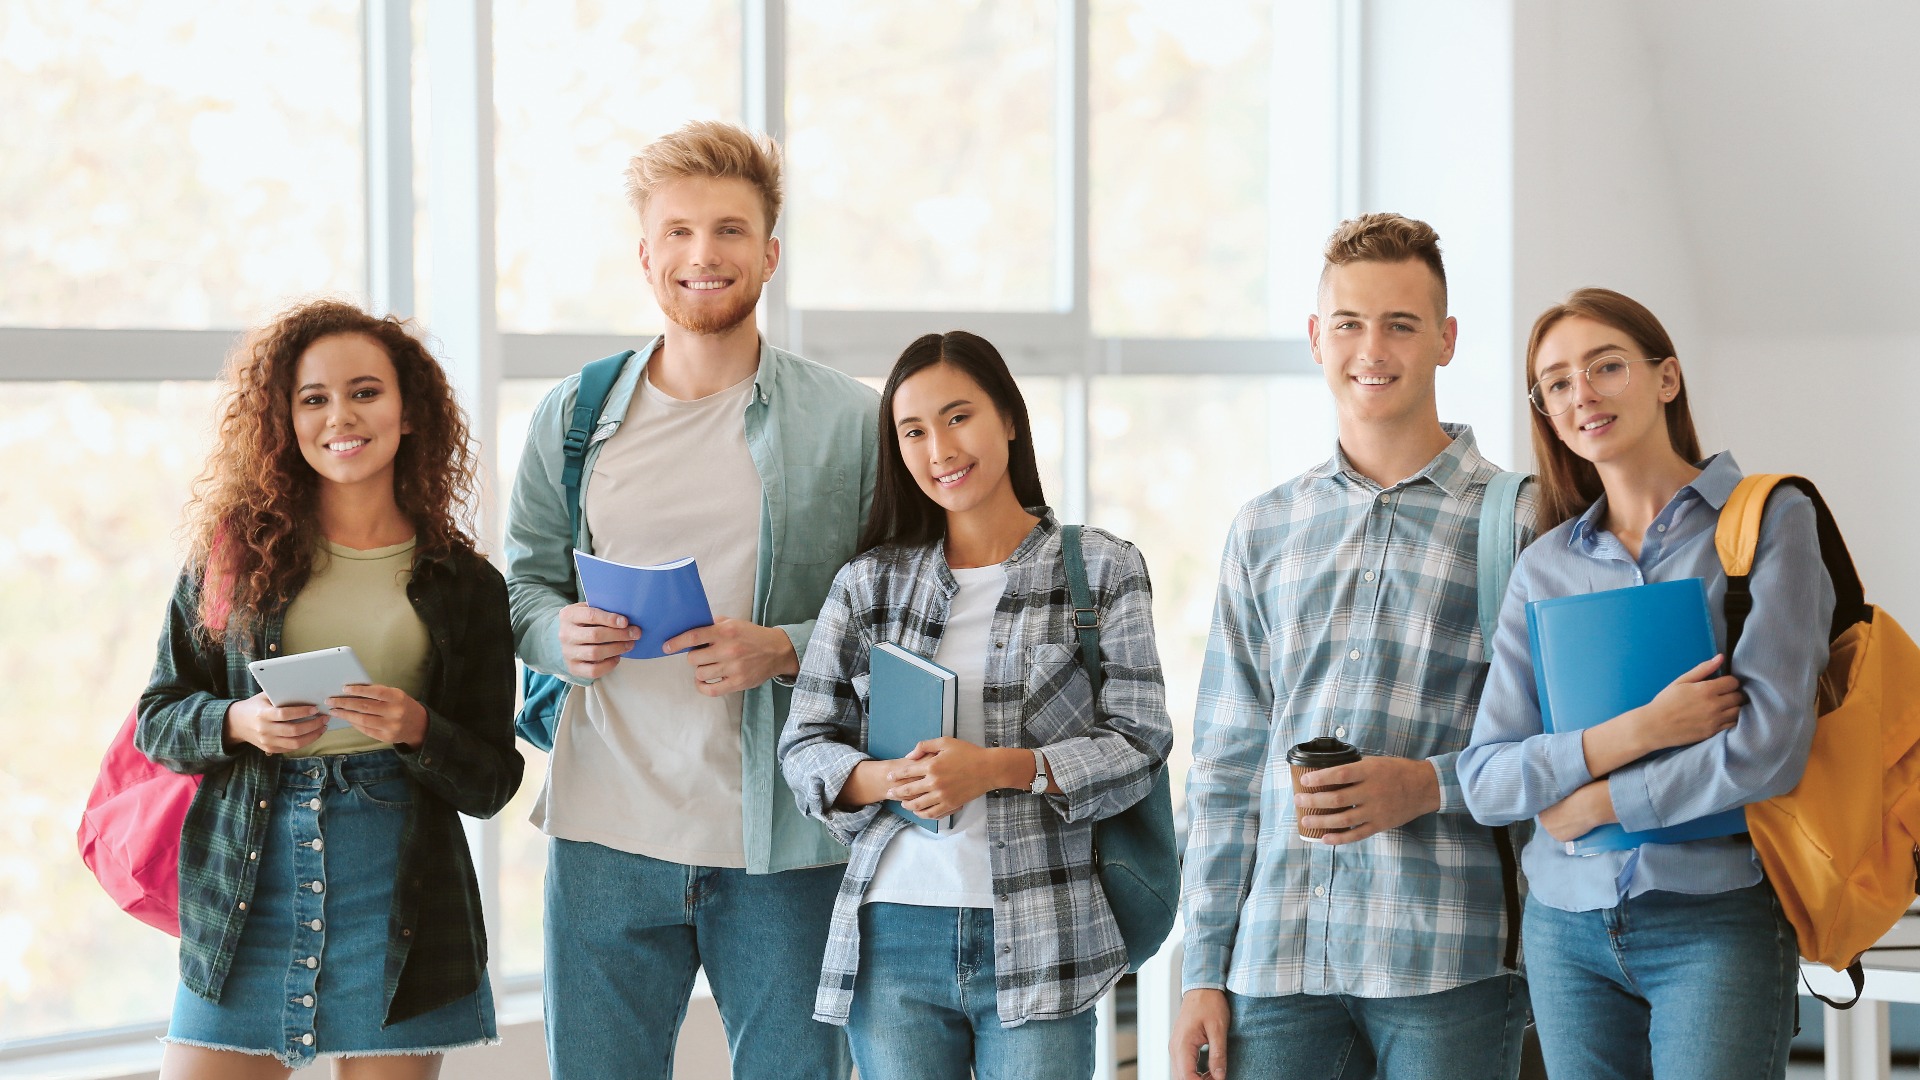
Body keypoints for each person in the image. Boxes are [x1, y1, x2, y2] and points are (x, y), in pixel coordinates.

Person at [504, 120, 877, 1080]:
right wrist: (558, 634)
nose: (702, 255)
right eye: (677, 232)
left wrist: (787, 647)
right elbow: (522, 585)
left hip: (787, 842)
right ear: (645, 255)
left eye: (728, 231)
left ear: (770, 255)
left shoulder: (855, 421)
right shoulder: (576, 416)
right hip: (605, 834)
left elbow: (913, 607)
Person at [1173, 213, 1535, 1080]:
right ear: (1315, 338)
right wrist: (1202, 972)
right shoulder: (1265, 528)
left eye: (1401, 324)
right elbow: (1225, 768)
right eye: (1349, 323)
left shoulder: (1521, 520)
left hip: (1449, 957)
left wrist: (1427, 784)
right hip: (1276, 960)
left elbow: (1558, 748)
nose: (1372, 347)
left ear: (1446, 340)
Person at [137, 299, 522, 1078]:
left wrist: (417, 726)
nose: (340, 415)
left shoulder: (467, 584)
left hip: (400, 895)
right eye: (313, 398)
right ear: (286, 419)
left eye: (365, 391)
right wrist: (239, 720)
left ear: (409, 412)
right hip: (247, 876)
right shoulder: (231, 559)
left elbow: (491, 780)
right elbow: (158, 719)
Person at [1458, 287, 1832, 1079]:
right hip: (1565, 929)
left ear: (1666, 379)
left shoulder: (1769, 521)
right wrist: (1644, 730)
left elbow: (1769, 749)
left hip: (1718, 918)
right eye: (1557, 383)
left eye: (1607, 367)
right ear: (1548, 412)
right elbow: (1487, 780)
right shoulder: (1544, 566)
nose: (1582, 394)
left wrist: (1599, 802)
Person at [777, 330, 1173, 1080]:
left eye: (958, 418)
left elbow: (1142, 745)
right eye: (914, 431)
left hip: (1046, 932)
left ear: (1009, 419)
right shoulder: (869, 584)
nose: (939, 449)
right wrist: (892, 780)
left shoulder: (1102, 569)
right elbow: (804, 747)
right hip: (891, 934)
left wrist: (997, 768)